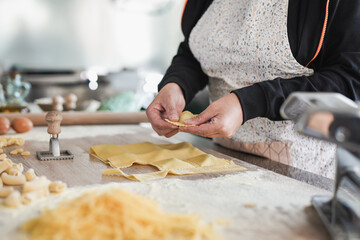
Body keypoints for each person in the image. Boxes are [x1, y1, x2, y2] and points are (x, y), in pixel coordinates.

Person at [146, 0, 360, 178]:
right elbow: (195, 50)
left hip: (301, 172)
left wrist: (248, 103)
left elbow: (350, 78)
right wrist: (176, 85)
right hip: (221, 156)